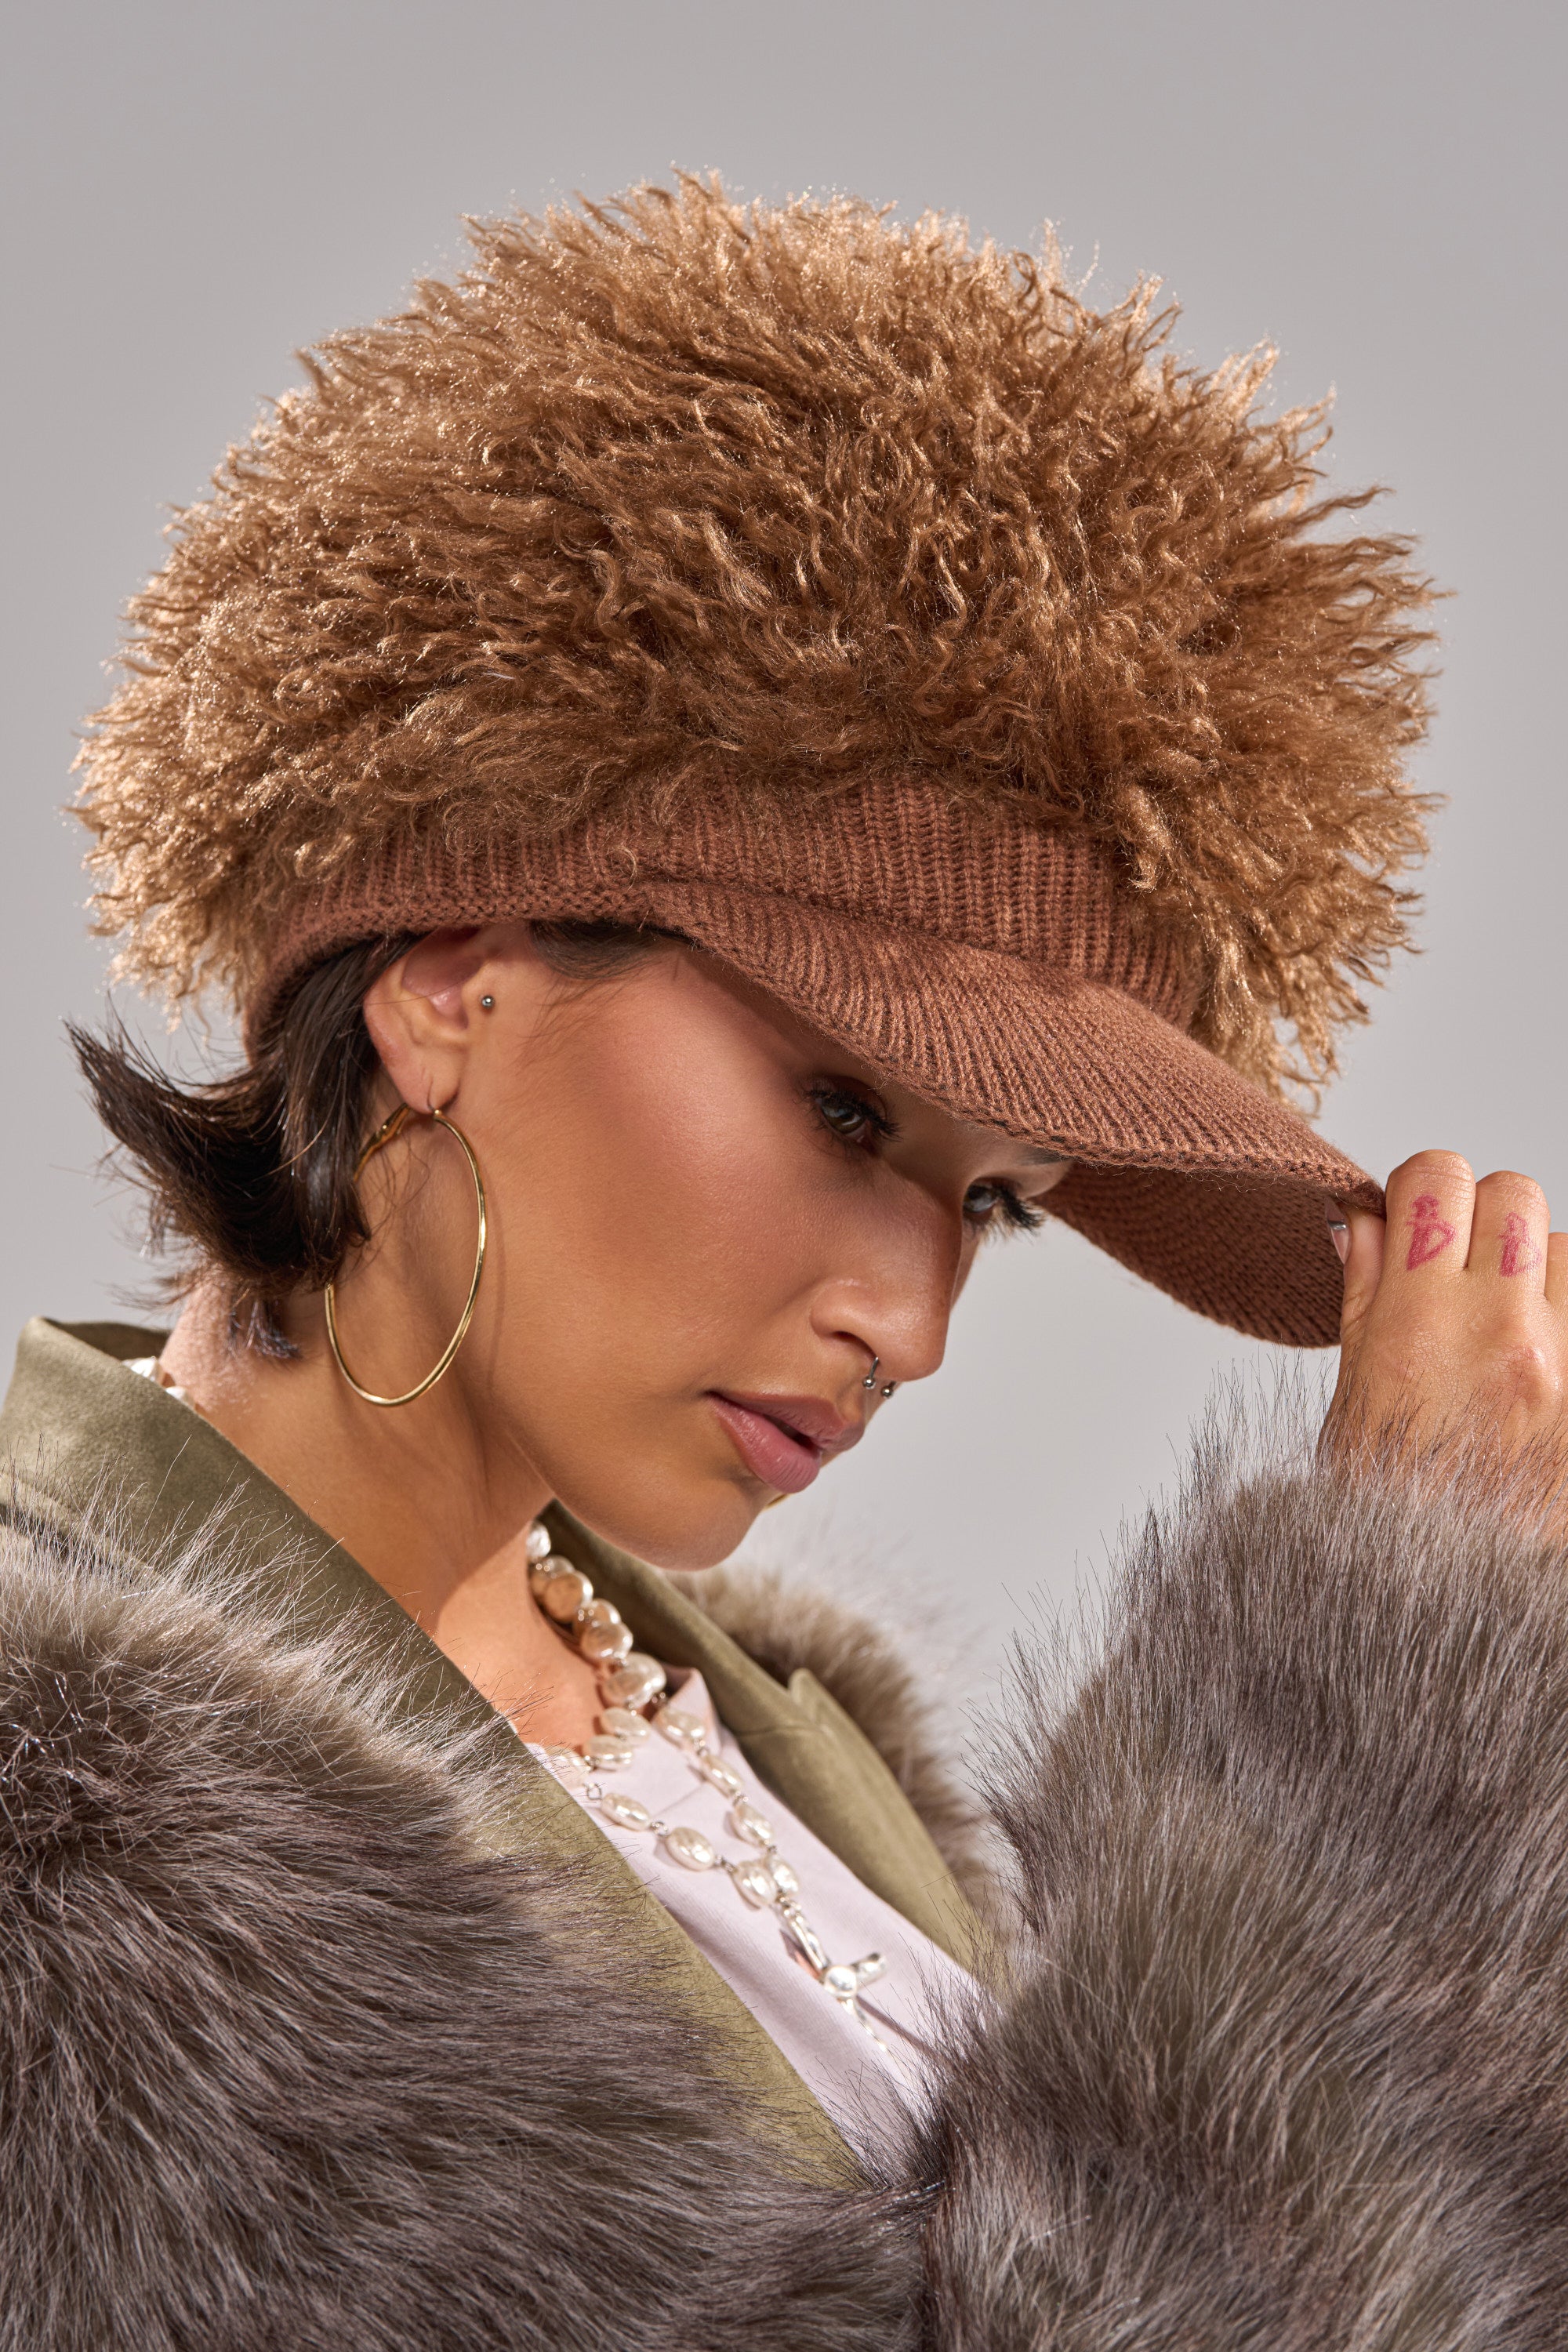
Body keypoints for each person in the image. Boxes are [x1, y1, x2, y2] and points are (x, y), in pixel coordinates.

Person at [4, 176, 1566, 2349]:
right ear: (452, 989)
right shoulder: (73, 1837)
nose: (912, 1325)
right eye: (845, 1112)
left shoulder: (777, 1743)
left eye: (993, 1202)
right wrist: (1390, 1741)